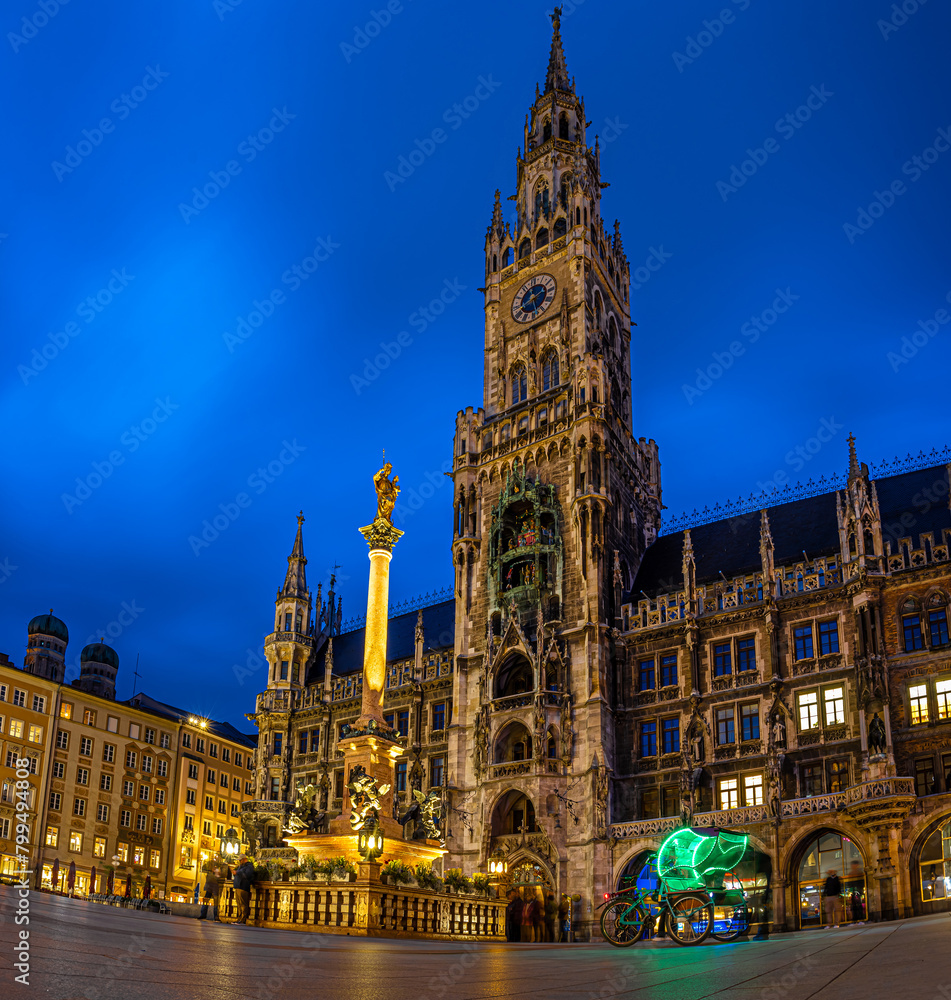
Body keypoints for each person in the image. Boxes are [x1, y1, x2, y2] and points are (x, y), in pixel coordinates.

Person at [233, 856, 254, 924]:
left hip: (243, 886)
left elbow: (247, 875)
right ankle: (239, 918)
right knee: (239, 903)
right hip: (238, 886)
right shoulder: (241, 866)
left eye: (240, 860)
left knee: (243, 904)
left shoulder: (249, 866)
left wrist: (237, 873)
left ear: (244, 859)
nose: (239, 861)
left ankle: (243, 919)